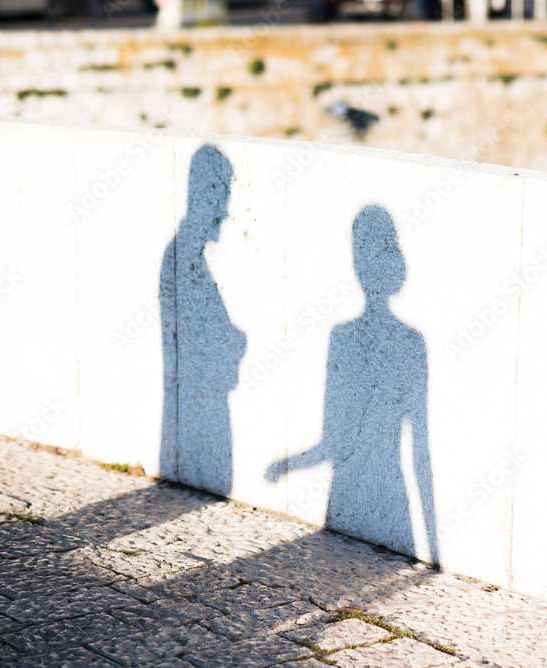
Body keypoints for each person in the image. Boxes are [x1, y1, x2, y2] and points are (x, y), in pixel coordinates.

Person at [266, 205, 438, 564]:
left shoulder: (346, 337)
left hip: (353, 495)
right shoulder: (408, 341)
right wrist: (434, 547)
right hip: (388, 498)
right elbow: (419, 451)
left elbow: (336, 443)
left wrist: (288, 465)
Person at [160, 145, 246, 495]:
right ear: (203, 195)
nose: (225, 212)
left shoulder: (187, 255)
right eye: (222, 196)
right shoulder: (183, 258)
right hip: (200, 414)